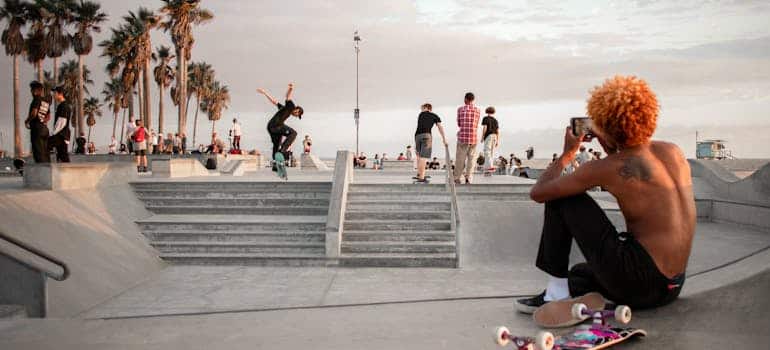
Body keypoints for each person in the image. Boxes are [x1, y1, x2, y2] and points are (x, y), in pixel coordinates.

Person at [516, 75, 693, 315]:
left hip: (640, 285)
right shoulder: (673, 152)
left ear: (606, 124)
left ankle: (555, 294)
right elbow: (633, 166)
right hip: (672, 286)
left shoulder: (608, 167)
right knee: (580, 273)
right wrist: (612, 143)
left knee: (564, 198)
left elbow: (539, 193)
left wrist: (568, 153)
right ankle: (579, 290)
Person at [257, 83, 304, 170]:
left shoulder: (284, 108)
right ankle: (283, 151)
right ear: (297, 110)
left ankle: (276, 164)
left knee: (276, 144)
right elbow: (288, 97)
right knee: (293, 133)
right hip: (276, 125)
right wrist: (291, 89)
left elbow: (274, 101)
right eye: (297, 115)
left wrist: (264, 93)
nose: (296, 116)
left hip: (270, 127)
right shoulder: (291, 107)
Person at [413, 103, 449, 182]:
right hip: (426, 135)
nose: (421, 109)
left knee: (419, 156)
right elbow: (440, 127)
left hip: (417, 136)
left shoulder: (420, 115)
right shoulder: (434, 116)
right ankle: (421, 177)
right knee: (423, 157)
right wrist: (444, 139)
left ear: (426, 107)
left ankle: (419, 174)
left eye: (422, 108)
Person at [454, 92, 481, 184]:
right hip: (473, 137)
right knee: (471, 159)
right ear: (473, 100)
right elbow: (476, 124)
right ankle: (468, 177)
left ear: (465, 99)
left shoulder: (460, 109)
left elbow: (459, 123)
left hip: (463, 137)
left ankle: (457, 177)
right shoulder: (477, 110)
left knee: (460, 158)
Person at [24, 81, 51, 163]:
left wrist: (27, 121)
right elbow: (48, 116)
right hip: (45, 129)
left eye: (31, 90)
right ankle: (48, 170)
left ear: (35, 91)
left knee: (38, 152)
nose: (31, 92)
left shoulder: (36, 99)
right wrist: (43, 121)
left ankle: (41, 172)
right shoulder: (46, 101)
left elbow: (34, 113)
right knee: (45, 152)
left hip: (37, 129)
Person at [48, 86, 72, 163]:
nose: (53, 95)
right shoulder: (63, 105)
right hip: (62, 135)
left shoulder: (63, 106)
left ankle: (42, 166)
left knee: (44, 145)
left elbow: (62, 122)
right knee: (63, 155)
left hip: (61, 135)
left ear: (60, 94)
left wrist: (53, 134)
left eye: (55, 93)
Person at [481, 106, 500, 173]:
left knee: (487, 151)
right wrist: (497, 140)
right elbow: (497, 131)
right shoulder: (495, 120)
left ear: (486, 111)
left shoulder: (485, 118)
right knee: (492, 152)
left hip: (488, 135)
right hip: (495, 136)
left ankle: (489, 167)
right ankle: (488, 166)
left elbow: (485, 128)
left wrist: (482, 137)